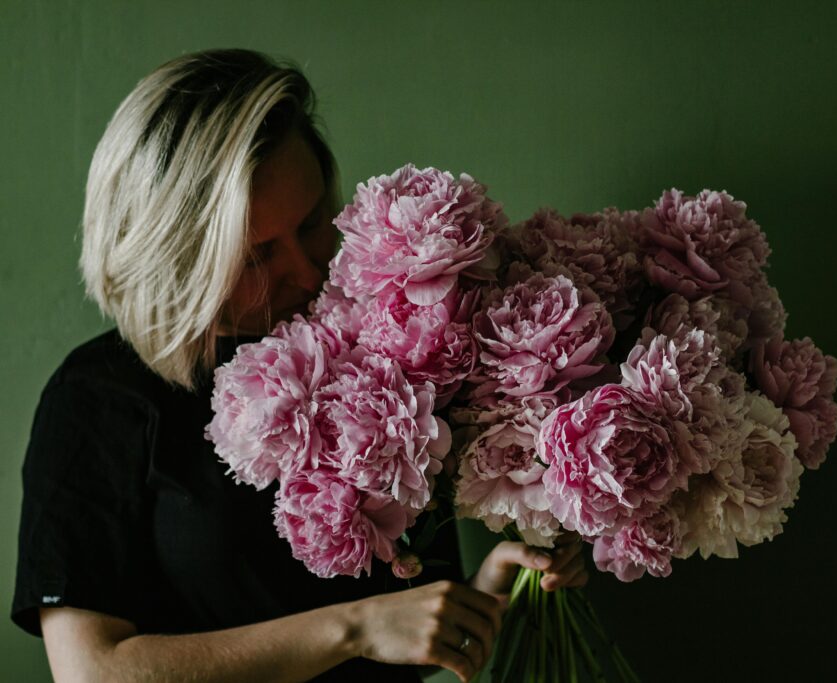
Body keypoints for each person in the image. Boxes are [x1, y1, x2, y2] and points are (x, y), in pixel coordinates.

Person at [11, 49, 588, 683]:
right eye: (257, 254)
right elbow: (91, 673)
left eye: (313, 222)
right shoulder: (100, 396)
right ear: (173, 258)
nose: (308, 271)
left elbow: (399, 639)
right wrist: (357, 628)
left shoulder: (386, 361)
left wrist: (484, 595)